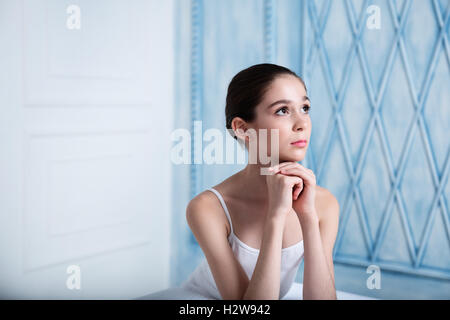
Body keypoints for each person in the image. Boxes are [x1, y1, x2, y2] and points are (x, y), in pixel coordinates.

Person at [181, 63, 340, 300]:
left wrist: (307, 216)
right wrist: (275, 216)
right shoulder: (207, 208)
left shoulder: (324, 203)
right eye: (282, 111)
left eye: (305, 108)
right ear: (243, 129)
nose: (302, 123)